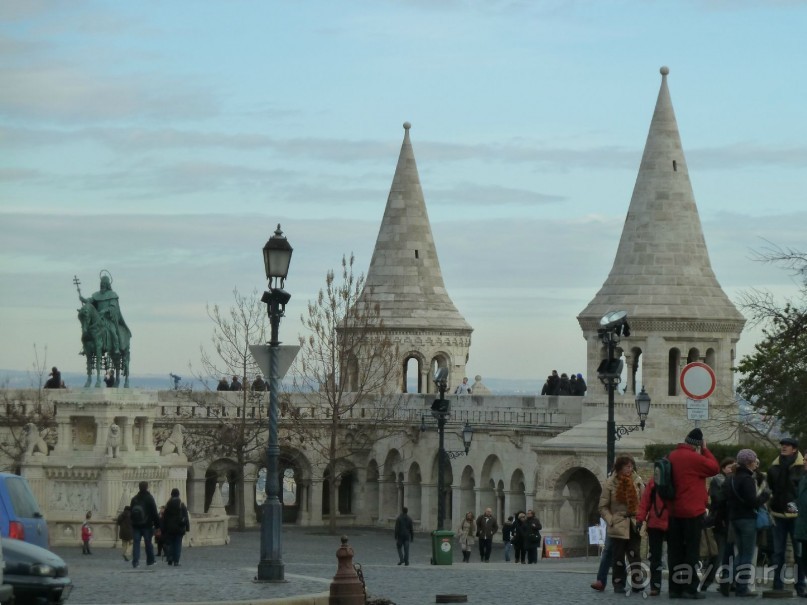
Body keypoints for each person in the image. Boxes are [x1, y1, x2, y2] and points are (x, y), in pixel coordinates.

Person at [666, 428, 718, 599]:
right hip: (692, 511)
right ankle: (690, 587)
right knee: (691, 551)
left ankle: (675, 588)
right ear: (697, 444)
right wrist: (705, 449)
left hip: (674, 510)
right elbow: (715, 468)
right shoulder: (695, 458)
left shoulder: (672, 456)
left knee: (675, 551)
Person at [726, 449, 770, 597]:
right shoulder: (747, 479)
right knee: (747, 553)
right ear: (749, 462)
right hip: (747, 519)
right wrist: (765, 496)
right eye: (754, 460)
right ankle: (742, 587)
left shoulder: (733, 478)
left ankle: (727, 579)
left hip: (735, 519)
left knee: (740, 552)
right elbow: (753, 502)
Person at [766, 436, 806, 595]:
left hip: (797, 516)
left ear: (794, 449)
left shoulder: (801, 468)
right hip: (778, 514)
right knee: (778, 552)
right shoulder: (773, 468)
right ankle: (777, 585)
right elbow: (770, 488)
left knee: (799, 553)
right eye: (782, 445)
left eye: (787, 445)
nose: (784, 447)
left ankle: (800, 586)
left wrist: (795, 505)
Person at [599, 455, 643, 594]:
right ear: (619, 467)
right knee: (617, 556)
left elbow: (643, 501)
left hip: (634, 522)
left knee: (634, 554)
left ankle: (637, 582)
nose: (629, 469)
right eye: (627, 466)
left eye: (631, 466)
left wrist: (642, 519)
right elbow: (603, 506)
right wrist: (610, 520)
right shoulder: (610, 483)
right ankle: (618, 584)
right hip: (618, 523)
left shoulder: (637, 481)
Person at [701, 457, 735, 593]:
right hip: (720, 523)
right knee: (717, 556)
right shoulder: (718, 480)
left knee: (730, 556)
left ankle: (727, 583)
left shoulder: (733, 481)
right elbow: (717, 499)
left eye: (734, 467)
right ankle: (706, 583)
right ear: (723, 468)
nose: (731, 470)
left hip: (731, 522)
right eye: (729, 467)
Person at [79, 272, 131, 355]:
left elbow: (113, 307)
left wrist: (105, 310)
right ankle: (85, 347)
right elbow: (90, 301)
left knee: (113, 332)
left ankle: (116, 347)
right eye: (101, 283)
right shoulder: (96, 295)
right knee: (87, 330)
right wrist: (84, 299)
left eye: (103, 284)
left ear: (107, 284)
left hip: (108, 319)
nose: (102, 285)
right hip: (98, 319)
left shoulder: (112, 295)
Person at [636, 477, 669, 596]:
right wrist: (640, 518)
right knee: (661, 556)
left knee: (656, 556)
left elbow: (645, 502)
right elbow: (645, 501)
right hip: (669, 522)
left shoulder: (654, 480)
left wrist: (640, 519)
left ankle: (656, 587)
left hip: (659, 522)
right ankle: (674, 587)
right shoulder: (655, 481)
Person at [130, 480, 160, 568]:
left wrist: (132, 522)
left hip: (136, 525)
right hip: (147, 525)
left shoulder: (134, 499)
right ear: (147, 487)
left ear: (139, 487)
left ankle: (135, 562)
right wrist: (158, 526)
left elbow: (131, 512)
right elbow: (154, 512)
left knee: (136, 544)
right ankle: (150, 561)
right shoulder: (149, 498)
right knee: (148, 543)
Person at [163, 489, 190, 566]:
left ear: (171, 495)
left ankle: (170, 558)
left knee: (170, 543)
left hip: (170, 528)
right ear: (178, 495)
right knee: (178, 544)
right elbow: (186, 516)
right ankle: (176, 561)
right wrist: (187, 528)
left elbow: (165, 518)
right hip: (179, 527)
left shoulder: (168, 505)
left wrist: (164, 528)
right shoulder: (181, 505)